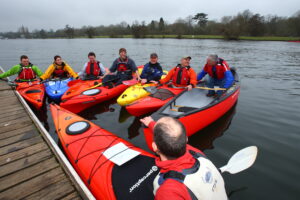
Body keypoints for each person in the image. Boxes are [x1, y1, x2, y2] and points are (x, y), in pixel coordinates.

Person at [140, 116, 227, 200]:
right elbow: (171, 135)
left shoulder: (168, 191)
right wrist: (151, 123)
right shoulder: (196, 152)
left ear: (154, 147)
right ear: (186, 139)